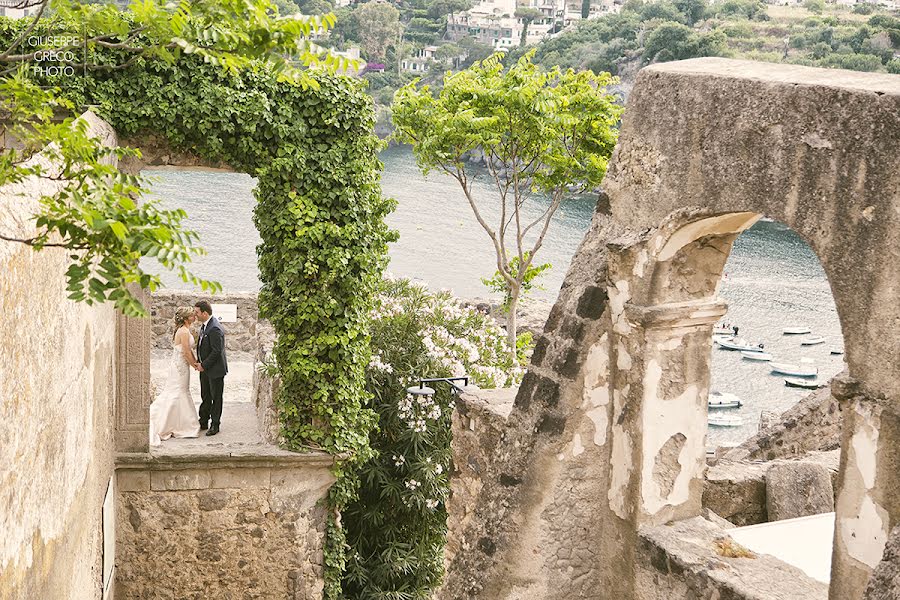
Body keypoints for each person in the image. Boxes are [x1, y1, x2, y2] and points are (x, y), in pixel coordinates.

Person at [149, 307, 202, 446]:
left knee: (179, 391)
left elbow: (189, 351)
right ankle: (178, 424)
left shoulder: (183, 330)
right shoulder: (183, 331)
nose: (194, 317)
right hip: (180, 367)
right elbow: (185, 352)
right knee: (178, 392)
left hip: (180, 365)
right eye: (191, 316)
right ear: (185, 318)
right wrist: (194, 365)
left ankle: (178, 422)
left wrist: (195, 361)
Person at [194, 300, 228, 436]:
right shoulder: (204, 326)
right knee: (205, 395)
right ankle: (203, 420)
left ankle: (215, 424)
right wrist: (199, 361)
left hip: (215, 370)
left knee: (216, 397)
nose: (195, 315)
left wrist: (203, 365)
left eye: (197, 312)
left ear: (205, 313)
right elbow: (202, 346)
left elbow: (216, 351)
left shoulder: (215, 328)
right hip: (205, 368)